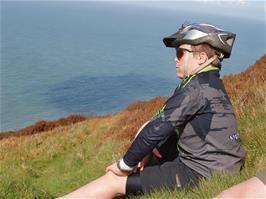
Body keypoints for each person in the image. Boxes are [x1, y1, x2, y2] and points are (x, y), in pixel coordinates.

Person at [58, 23, 246, 199]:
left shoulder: (195, 90)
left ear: (201, 58)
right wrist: (145, 142)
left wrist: (124, 165)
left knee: (113, 181)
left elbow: (156, 130)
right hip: (223, 165)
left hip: (203, 174)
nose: (175, 58)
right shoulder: (208, 83)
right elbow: (158, 125)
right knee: (152, 133)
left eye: (180, 53)